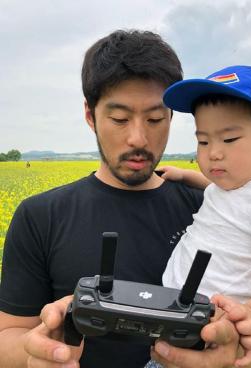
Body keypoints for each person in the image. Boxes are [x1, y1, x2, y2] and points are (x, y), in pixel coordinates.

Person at [0, 29, 235, 368]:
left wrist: (233, 350)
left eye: (155, 119)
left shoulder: (209, 210)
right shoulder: (41, 216)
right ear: (89, 115)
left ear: (171, 118)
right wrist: (35, 351)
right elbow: (8, 335)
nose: (138, 138)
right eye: (120, 118)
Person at [153, 65, 251, 366]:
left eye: (229, 139)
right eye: (203, 141)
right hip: (176, 323)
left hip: (212, 337)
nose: (213, 153)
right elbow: (219, 193)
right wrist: (185, 174)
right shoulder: (230, 186)